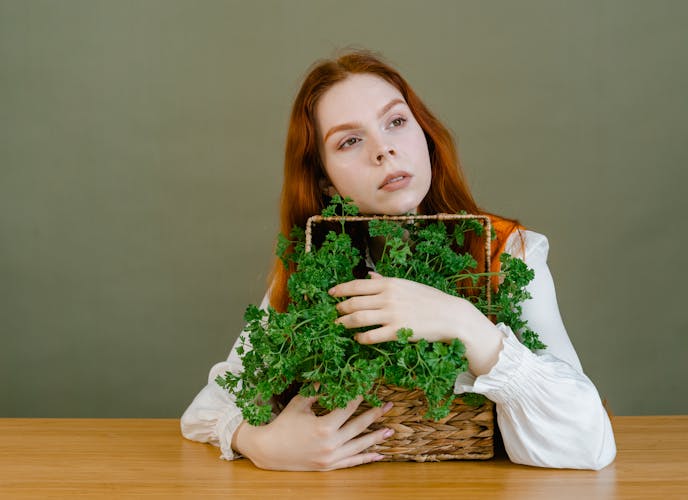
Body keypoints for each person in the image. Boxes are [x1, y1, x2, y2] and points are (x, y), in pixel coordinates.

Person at [180, 50, 617, 471]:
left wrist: (466, 324)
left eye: (395, 122)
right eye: (350, 140)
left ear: (424, 135)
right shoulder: (316, 266)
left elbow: (589, 443)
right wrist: (258, 443)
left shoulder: (505, 253)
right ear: (325, 182)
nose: (383, 150)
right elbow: (209, 406)